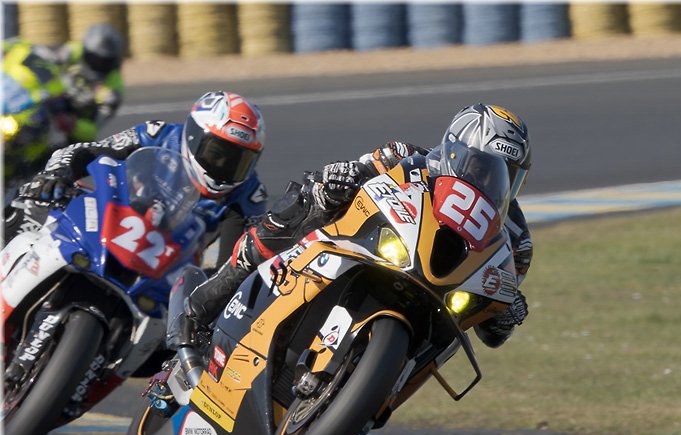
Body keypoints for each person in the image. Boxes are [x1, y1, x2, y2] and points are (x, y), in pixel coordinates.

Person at [175, 103, 533, 350]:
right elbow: (350, 171)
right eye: (484, 166)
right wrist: (336, 179)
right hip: (375, 252)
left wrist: (507, 311)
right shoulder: (408, 158)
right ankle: (205, 304)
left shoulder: (515, 242)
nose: (492, 180)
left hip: (432, 311)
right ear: (454, 149)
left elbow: (492, 332)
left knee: (449, 341)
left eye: (509, 175)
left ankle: (370, 395)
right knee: (309, 201)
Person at [6, 90, 269, 269]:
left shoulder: (249, 195)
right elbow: (86, 151)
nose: (224, 167)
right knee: (27, 205)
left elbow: (234, 265)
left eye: (240, 160)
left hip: (168, 267)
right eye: (217, 154)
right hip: (106, 225)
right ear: (194, 136)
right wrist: (56, 174)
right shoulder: (157, 134)